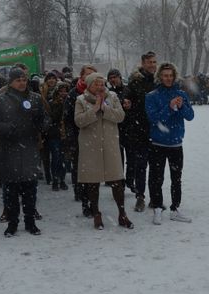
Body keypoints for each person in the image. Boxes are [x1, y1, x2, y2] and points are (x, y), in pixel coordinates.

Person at [0, 67, 45, 237]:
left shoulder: (35, 98)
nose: (22, 83)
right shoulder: (0, 100)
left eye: (24, 79)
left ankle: (30, 222)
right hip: (10, 149)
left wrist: (40, 124)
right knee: (10, 192)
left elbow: (45, 119)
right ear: (11, 82)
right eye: (18, 80)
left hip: (29, 149)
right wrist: (8, 129)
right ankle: (12, 223)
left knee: (30, 190)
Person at [74, 72, 133, 230]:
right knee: (93, 183)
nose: (99, 87)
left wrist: (105, 108)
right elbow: (79, 121)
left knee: (116, 181)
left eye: (102, 84)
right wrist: (94, 109)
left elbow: (120, 116)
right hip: (90, 146)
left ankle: (122, 213)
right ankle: (96, 214)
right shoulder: (80, 100)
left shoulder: (112, 97)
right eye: (96, 84)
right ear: (89, 85)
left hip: (110, 144)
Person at [145, 63, 194, 225]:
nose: (168, 78)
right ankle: (157, 208)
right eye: (165, 75)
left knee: (176, 178)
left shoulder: (181, 94)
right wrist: (170, 107)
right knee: (156, 178)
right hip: (158, 144)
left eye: (171, 75)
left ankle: (175, 208)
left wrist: (181, 107)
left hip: (175, 144)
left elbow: (190, 116)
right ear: (160, 76)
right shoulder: (151, 96)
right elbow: (154, 119)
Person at [63, 64, 98, 217]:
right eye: (87, 74)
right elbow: (68, 119)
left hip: (96, 137)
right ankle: (85, 200)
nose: (89, 77)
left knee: (94, 172)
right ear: (81, 76)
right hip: (79, 137)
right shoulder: (74, 94)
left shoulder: (100, 92)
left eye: (93, 74)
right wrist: (71, 139)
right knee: (81, 170)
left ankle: (93, 201)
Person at [125, 51, 157, 212]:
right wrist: (128, 105)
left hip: (156, 131)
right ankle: (140, 196)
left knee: (156, 167)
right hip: (139, 130)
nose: (153, 65)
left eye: (154, 62)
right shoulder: (135, 82)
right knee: (141, 166)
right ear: (143, 63)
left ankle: (154, 198)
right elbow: (127, 101)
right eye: (150, 62)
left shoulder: (159, 81)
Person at [48, 81, 70, 191]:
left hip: (66, 134)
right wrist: (60, 105)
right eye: (61, 91)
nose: (63, 93)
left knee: (63, 159)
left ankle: (62, 179)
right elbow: (53, 117)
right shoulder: (52, 103)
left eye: (65, 91)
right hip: (55, 134)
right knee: (56, 158)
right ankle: (55, 180)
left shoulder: (70, 102)